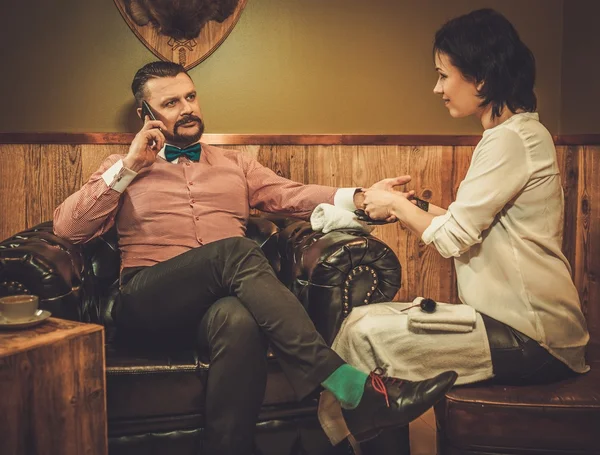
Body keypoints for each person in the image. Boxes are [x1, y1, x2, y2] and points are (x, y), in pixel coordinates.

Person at [52, 61, 457, 455]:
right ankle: (346, 383)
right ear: (146, 115)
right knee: (235, 251)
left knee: (241, 320)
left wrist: (364, 197)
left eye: (191, 96)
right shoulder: (118, 168)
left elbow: (293, 194)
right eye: (171, 103)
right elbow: (69, 229)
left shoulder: (235, 164)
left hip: (215, 310)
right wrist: (129, 166)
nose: (188, 107)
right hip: (147, 299)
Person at [333, 8, 590, 398]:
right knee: (359, 321)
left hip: (535, 335)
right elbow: (466, 223)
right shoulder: (514, 134)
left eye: (442, 74)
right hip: (511, 324)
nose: (437, 88)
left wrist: (396, 205)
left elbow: (453, 238)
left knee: (366, 332)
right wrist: (405, 203)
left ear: (482, 76)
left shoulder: (511, 139)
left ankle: (347, 435)